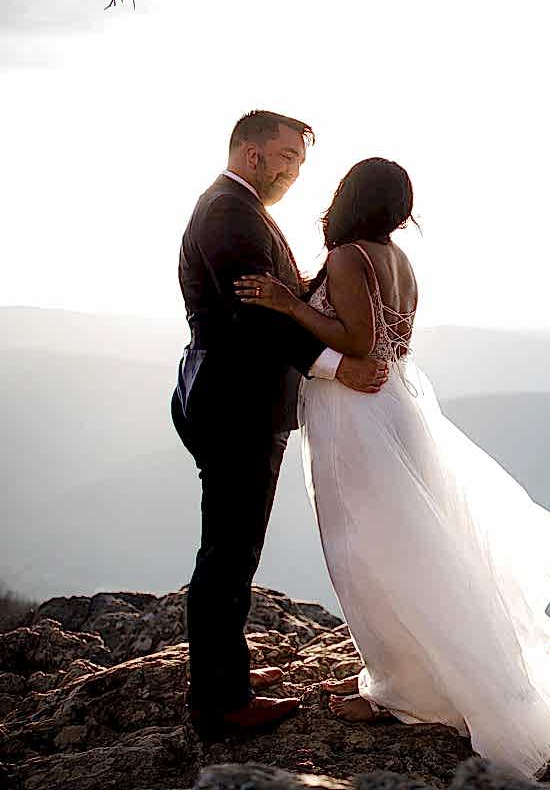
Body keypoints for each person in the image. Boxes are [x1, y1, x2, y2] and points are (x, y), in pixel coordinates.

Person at [234, 157, 550, 778]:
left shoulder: (348, 257)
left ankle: (399, 693)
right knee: (409, 549)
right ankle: (423, 679)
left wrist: (289, 304)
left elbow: (361, 341)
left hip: (355, 418)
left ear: (348, 197)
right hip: (391, 406)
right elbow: (393, 345)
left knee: (363, 556)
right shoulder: (398, 260)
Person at [172, 111, 388, 738]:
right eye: (286, 155)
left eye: (301, 159)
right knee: (229, 551)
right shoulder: (228, 213)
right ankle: (220, 701)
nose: (295, 169)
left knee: (234, 544)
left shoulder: (238, 208)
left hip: (227, 395)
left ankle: (227, 668)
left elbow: (281, 294)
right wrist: (332, 366)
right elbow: (252, 314)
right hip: (233, 400)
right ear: (250, 153)